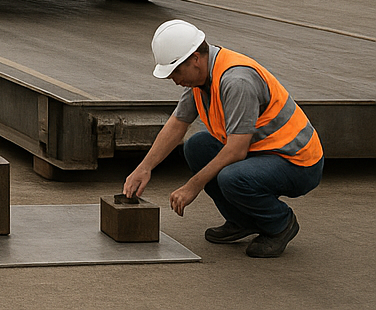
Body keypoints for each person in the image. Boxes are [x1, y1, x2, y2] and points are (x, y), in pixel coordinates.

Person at [123, 19, 323, 258]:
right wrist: (144, 168)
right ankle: (243, 220)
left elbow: (237, 151)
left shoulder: (236, 81)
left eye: (176, 71)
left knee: (232, 177)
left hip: (297, 161)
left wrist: (192, 186)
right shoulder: (199, 77)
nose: (174, 79)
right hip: (262, 150)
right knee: (197, 147)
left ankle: (280, 224)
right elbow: (177, 124)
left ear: (195, 58)